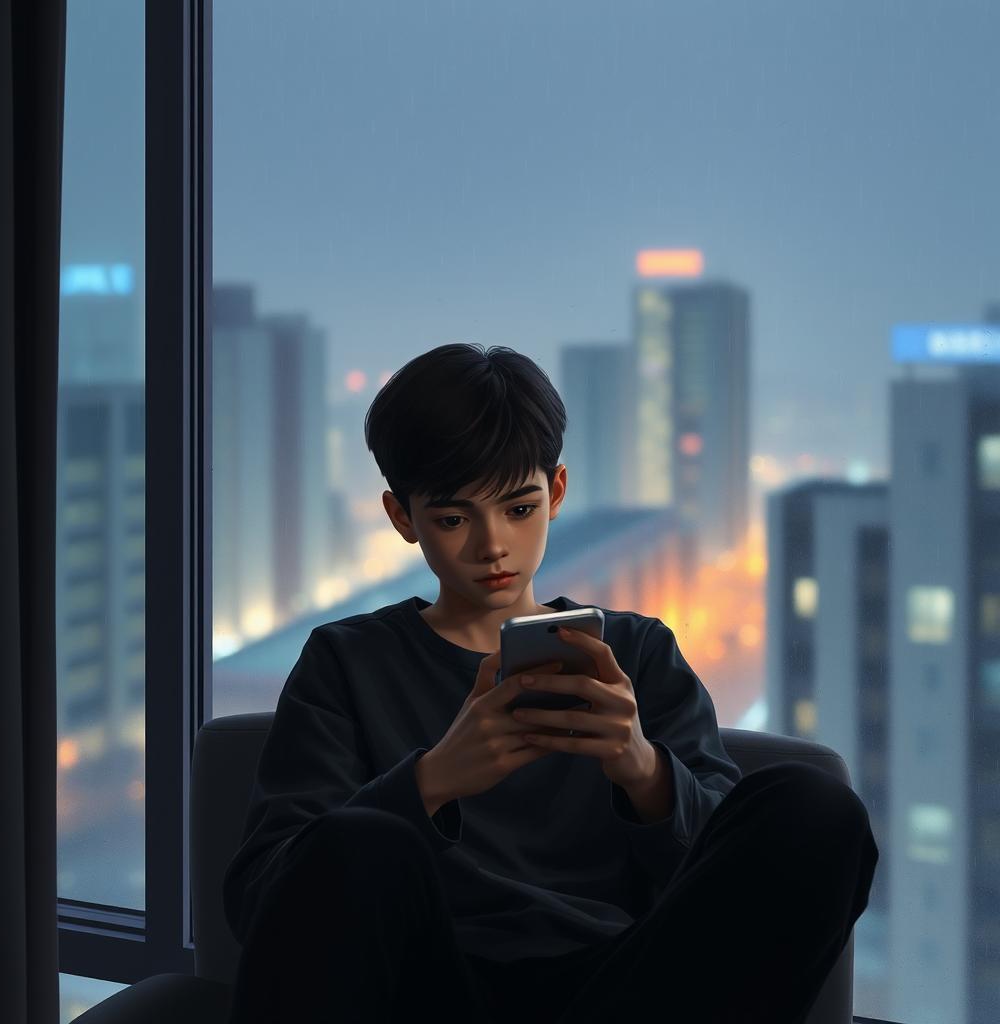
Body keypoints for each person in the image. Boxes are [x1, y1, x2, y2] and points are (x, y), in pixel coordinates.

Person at [222, 343, 879, 1023]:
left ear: (556, 493)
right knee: (357, 841)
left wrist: (643, 769)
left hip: (627, 992)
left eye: (518, 507)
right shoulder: (346, 663)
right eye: (452, 519)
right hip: (429, 992)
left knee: (817, 811)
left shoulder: (636, 653)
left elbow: (733, 877)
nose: (492, 545)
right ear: (402, 518)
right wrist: (432, 781)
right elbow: (265, 899)